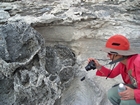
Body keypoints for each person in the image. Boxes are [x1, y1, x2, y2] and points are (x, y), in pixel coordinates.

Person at [88, 34, 140, 105]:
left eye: (109, 53)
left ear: (118, 54)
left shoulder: (138, 62)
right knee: (112, 94)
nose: (107, 56)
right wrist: (99, 67)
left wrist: (135, 94)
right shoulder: (123, 62)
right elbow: (112, 74)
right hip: (136, 88)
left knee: (126, 102)